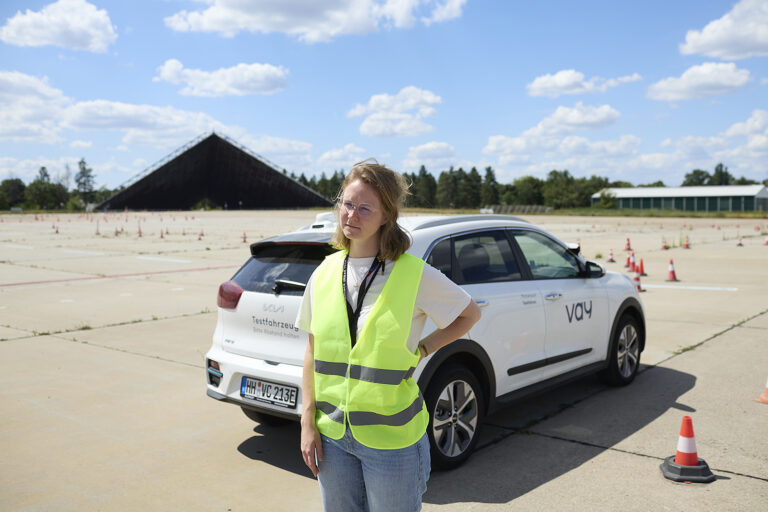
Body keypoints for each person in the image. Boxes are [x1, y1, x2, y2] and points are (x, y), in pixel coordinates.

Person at [296, 159, 481, 511]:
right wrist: (308, 422)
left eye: (365, 208)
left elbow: (469, 313)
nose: (352, 215)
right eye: (347, 204)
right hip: (333, 435)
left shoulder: (414, 273)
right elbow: (312, 350)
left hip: (391, 441)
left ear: (386, 216)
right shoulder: (325, 272)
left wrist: (426, 347)